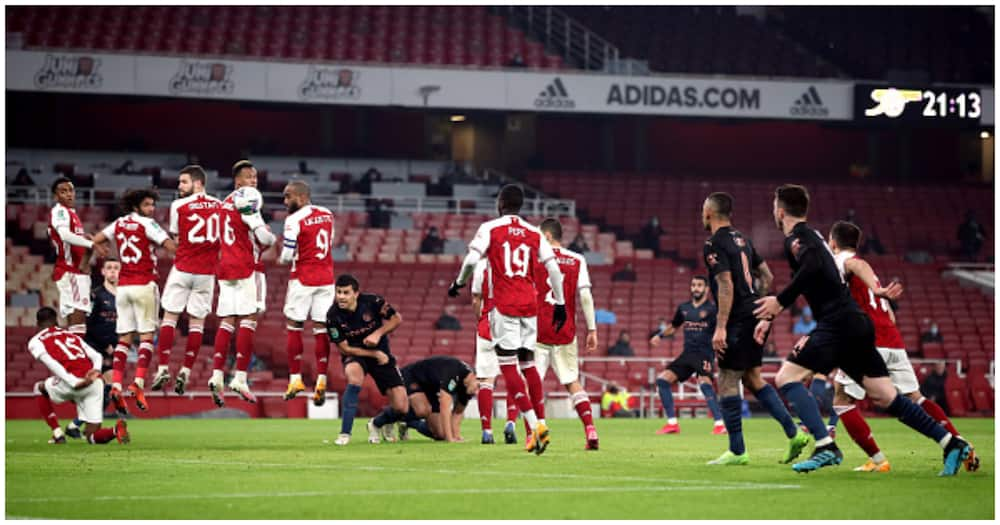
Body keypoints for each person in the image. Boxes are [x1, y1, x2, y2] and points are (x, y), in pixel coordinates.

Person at [753, 184, 971, 475]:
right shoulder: (813, 237)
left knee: (787, 377)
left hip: (838, 323)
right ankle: (950, 443)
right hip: (855, 323)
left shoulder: (798, 238)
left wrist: (779, 302)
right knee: (886, 396)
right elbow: (815, 274)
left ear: (780, 211)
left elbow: (819, 266)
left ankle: (825, 445)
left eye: (773, 207)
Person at [826, 221, 977, 472]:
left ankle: (878, 461)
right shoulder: (869, 270)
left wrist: (876, 289)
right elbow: (891, 316)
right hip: (892, 338)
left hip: (870, 341)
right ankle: (960, 443)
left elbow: (856, 264)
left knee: (842, 397)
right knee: (915, 398)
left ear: (833, 241)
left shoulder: (844, 260)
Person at [447, 184, 567, 456]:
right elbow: (554, 268)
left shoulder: (490, 228)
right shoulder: (534, 232)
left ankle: (535, 426)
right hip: (530, 305)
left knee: (508, 366)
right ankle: (541, 422)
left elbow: (470, 261)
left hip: (504, 306)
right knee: (529, 365)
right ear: (521, 205)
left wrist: (458, 283)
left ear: (500, 203)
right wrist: (560, 303)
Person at [701, 192, 806, 467]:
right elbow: (767, 276)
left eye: (703, 210)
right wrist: (756, 304)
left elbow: (725, 283)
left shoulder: (714, 243)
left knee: (726, 379)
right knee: (752, 378)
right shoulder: (743, 239)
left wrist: (721, 326)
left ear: (709, 212)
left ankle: (737, 451)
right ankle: (794, 433)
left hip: (736, 320)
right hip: (755, 314)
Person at [91, 188, 177, 412]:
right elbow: (169, 246)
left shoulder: (118, 223)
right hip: (144, 284)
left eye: (152, 205)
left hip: (124, 288)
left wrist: (100, 248)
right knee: (147, 336)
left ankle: (117, 385)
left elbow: (97, 238)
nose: (152, 209)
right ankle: (138, 383)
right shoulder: (147, 224)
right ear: (136, 206)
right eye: (148, 205)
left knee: (124, 339)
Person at [209, 160, 276, 406]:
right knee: (249, 319)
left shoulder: (223, 204)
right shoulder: (247, 200)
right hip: (248, 267)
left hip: (225, 267)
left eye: (256, 178)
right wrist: (271, 237)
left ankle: (216, 374)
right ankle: (240, 377)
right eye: (249, 177)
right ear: (238, 182)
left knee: (227, 321)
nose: (254, 182)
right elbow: (263, 236)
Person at [151, 165, 223, 395]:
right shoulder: (220, 207)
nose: (179, 186)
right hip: (207, 273)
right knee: (197, 324)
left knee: (169, 318)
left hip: (183, 267)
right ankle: (186, 370)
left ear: (198, 183)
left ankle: (162, 367)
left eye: (184, 182)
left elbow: (178, 238)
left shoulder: (179, 206)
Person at [530, 218, 601, 450]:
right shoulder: (577, 259)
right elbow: (585, 297)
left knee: (532, 384)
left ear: (548, 237)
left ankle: (535, 433)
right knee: (572, 382)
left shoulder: (536, 257)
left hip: (538, 331)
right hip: (565, 331)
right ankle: (590, 429)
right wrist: (592, 329)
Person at [326, 274, 407, 446]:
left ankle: (377, 423)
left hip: (382, 353)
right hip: (356, 354)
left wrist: (377, 334)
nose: (340, 296)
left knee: (401, 407)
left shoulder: (372, 302)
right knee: (354, 378)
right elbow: (344, 348)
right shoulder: (333, 315)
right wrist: (374, 354)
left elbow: (396, 318)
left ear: (356, 293)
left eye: (346, 292)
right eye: (338, 292)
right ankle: (344, 434)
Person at [29, 307, 129, 445]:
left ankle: (58, 434)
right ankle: (115, 430)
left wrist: (74, 382)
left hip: (72, 382)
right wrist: (95, 371)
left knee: (39, 388)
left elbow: (51, 363)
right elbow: (97, 356)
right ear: (57, 321)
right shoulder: (71, 335)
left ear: (38, 324)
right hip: (94, 382)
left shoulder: (36, 341)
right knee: (91, 436)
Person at [278, 181, 336, 407]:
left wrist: (281, 259)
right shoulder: (327, 214)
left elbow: (287, 254)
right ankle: (322, 378)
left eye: (288, 197)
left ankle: (295, 379)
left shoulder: (293, 220)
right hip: (326, 278)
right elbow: (329, 243)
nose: (285, 202)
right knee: (321, 328)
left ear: (301, 198)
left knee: (295, 325)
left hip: (303, 278)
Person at [649, 275, 725, 435]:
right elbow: (674, 326)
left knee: (705, 384)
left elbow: (723, 329)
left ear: (706, 289)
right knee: (662, 380)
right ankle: (672, 424)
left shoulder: (712, 309)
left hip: (704, 354)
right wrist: (660, 335)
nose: (695, 288)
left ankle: (719, 424)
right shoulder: (684, 308)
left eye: (699, 285)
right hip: (687, 354)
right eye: (693, 285)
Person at [48, 177, 108, 338]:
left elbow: (73, 242)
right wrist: (91, 245)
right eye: (63, 191)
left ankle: (73, 357)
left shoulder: (71, 214)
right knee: (78, 323)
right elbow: (65, 235)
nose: (69, 194)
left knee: (77, 324)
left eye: (71, 190)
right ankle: (75, 359)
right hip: (70, 272)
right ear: (56, 196)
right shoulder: (60, 211)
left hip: (77, 272)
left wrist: (87, 243)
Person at [370, 356, 478, 443]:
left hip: (432, 386)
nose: (477, 392)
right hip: (414, 376)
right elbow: (445, 408)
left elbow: (458, 413)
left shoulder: (468, 387)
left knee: (440, 435)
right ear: (475, 377)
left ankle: (406, 422)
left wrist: (456, 436)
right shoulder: (454, 373)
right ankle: (376, 423)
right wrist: (450, 439)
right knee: (422, 410)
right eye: (478, 386)